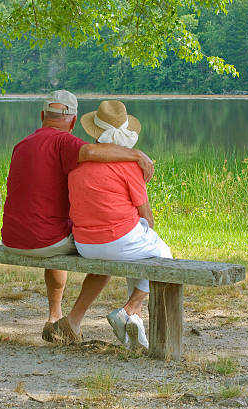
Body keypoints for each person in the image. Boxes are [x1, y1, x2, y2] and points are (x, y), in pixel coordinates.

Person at [0, 90, 155, 344]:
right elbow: (94, 153)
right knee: (105, 248)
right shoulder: (65, 142)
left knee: (56, 233)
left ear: (42, 116)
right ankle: (76, 321)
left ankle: (54, 315)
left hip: (12, 238)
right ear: (72, 122)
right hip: (45, 241)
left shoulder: (22, 144)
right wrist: (138, 155)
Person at [67, 100, 173, 350]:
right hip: (117, 240)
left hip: (84, 244)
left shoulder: (77, 162)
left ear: (95, 132)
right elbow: (147, 217)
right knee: (163, 255)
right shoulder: (129, 165)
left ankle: (134, 330)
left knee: (140, 252)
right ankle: (131, 309)